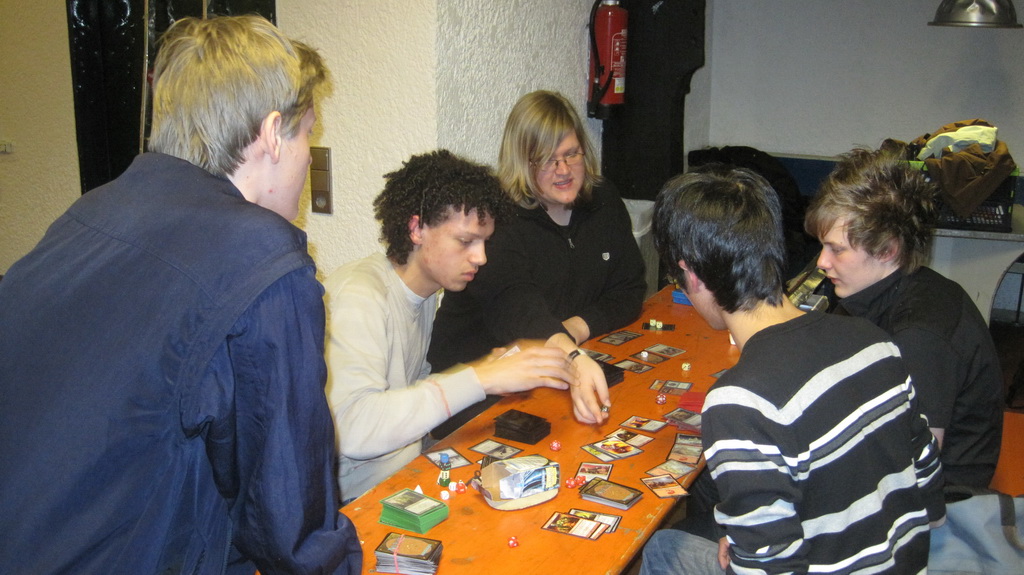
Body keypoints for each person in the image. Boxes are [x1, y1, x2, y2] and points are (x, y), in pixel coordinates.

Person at [0, 16, 360, 574]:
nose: (307, 159)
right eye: (306, 136)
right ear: (272, 133)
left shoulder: (96, 208)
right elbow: (289, 523)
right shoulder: (263, 259)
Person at [640, 165, 944, 574]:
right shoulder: (874, 340)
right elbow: (927, 485)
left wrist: (751, 551)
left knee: (663, 548)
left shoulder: (739, 403)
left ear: (692, 276)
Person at [323, 150, 575, 501]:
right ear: (417, 229)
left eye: (484, 242)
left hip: (407, 472)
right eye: (465, 241)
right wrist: (480, 377)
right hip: (354, 502)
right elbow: (352, 428)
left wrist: (494, 368)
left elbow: (410, 393)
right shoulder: (359, 295)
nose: (481, 257)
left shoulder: (423, 294)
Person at [428, 90, 646, 432]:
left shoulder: (603, 200)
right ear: (522, 163)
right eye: (546, 160)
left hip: (550, 375)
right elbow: (521, 311)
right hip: (477, 396)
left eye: (571, 154)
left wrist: (574, 329)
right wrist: (571, 353)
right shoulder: (496, 220)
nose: (564, 170)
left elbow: (629, 289)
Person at [805, 147, 1003, 489]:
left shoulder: (919, 336)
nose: (822, 262)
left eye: (837, 249)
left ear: (887, 250)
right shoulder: (898, 288)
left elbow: (912, 468)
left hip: (938, 498)